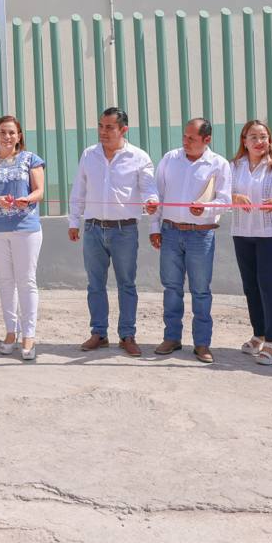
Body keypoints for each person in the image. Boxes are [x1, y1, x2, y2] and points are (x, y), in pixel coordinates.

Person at [67, 107, 158, 357]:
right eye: (101, 126)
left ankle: (127, 335)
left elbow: (150, 188)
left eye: (109, 127)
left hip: (124, 231)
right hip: (93, 229)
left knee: (126, 284)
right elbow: (79, 189)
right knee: (95, 284)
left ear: (123, 130)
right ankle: (99, 333)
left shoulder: (139, 157)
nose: (103, 132)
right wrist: (74, 221)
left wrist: (151, 202)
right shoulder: (89, 155)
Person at [147, 118, 232, 363]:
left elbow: (225, 200)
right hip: (171, 232)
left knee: (201, 291)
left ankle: (202, 343)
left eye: (191, 138)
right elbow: (157, 195)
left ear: (207, 140)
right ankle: (171, 338)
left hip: (201, 234)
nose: (185, 142)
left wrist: (205, 208)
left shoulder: (219, 164)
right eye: (184, 136)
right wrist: (155, 227)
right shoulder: (170, 159)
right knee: (171, 288)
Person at [0, 115, 47, 361]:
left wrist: (28, 198)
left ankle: (29, 335)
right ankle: (10, 331)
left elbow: (39, 192)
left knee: (26, 281)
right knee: (5, 281)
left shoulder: (31, 159)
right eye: (3, 132)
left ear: (19, 136)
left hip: (26, 227)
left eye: (12, 133)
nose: (7, 137)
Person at [228, 120, 272, 366]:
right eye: (254, 137)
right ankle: (258, 334)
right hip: (241, 232)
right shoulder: (233, 167)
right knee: (250, 286)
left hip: (270, 234)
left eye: (264, 137)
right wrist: (233, 196)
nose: (260, 142)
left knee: (268, 285)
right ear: (244, 141)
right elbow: (219, 195)